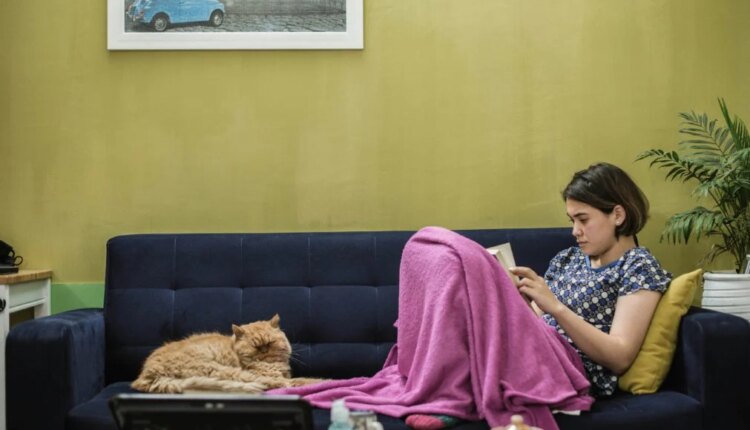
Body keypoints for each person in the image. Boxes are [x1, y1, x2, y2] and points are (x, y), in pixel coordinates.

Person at [509, 162, 671, 398]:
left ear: (617, 215)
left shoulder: (637, 266)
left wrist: (556, 307)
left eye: (583, 220)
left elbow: (620, 357)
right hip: (534, 350)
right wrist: (519, 299)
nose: (575, 231)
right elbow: (535, 320)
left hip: (568, 367)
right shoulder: (566, 259)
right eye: (572, 220)